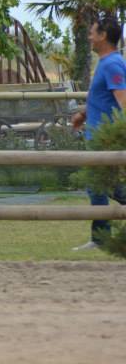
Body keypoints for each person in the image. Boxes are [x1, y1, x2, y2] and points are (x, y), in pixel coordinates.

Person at [71, 13, 126, 250]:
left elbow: (123, 101)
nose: (89, 37)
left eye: (92, 33)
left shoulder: (113, 64)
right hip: (97, 135)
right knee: (98, 185)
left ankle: (100, 238)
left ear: (103, 36)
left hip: (105, 139)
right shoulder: (106, 63)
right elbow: (104, 98)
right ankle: (99, 238)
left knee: (101, 184)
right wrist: (83, 114)